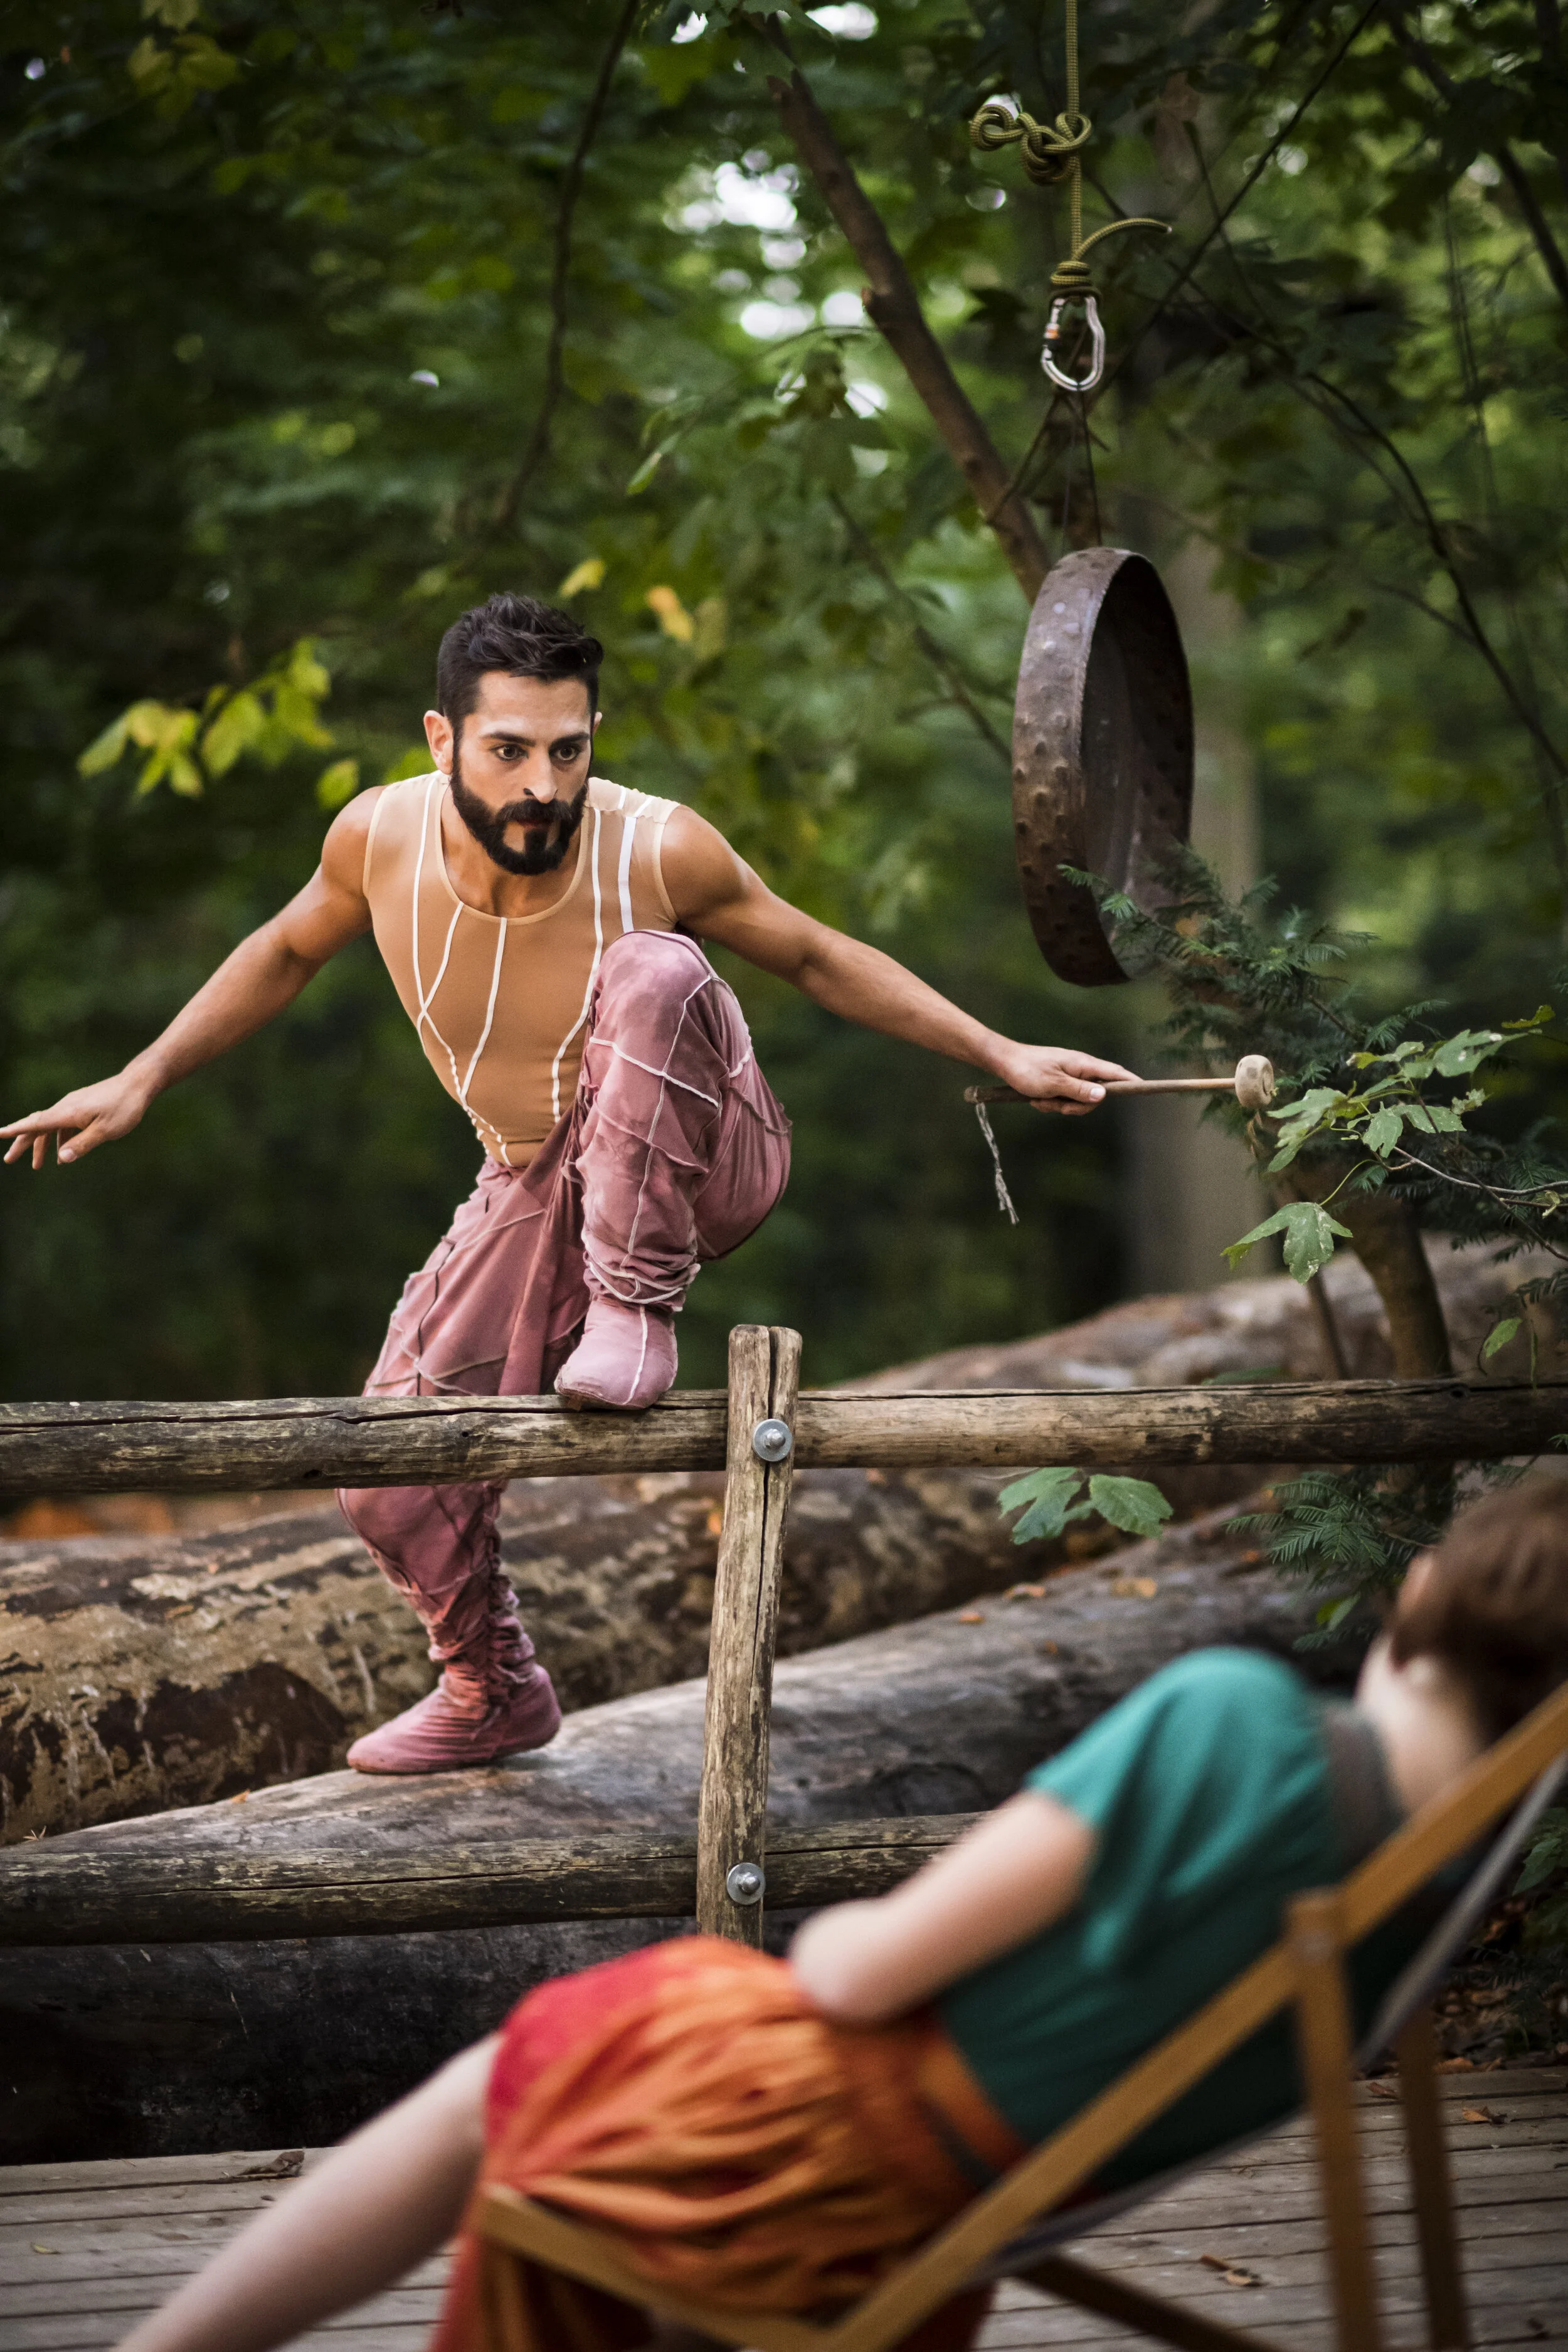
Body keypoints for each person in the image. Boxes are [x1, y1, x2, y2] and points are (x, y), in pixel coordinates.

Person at [1, 593, 1135, 1774]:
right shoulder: (375, 840)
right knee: (390, 1475)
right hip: (542, 1178)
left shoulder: (659, 845)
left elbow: (808, 951)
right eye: (509, 750)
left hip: (714, 1154)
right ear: (443, 740)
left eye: (569, 748)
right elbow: (285, 950)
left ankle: (635, 1305)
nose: (544, 782)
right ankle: (492, 1684)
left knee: (650, 964)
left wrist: (1000, 1052)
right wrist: (144, 1076)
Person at [112, 1478, 1568, 2352]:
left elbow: (863, 1978)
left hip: (841, 2150)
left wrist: (856, 1931)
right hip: (980, 2207)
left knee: (540, 2062)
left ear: (1427, 1586)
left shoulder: (1236, 1721)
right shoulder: (1429, 1898)